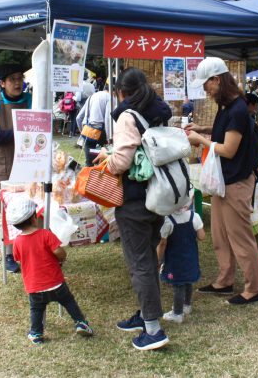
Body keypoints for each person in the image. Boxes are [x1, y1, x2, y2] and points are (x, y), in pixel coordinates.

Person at [95, 67, 172, 351]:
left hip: (135, 198)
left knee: (140, 262)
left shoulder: (127, 116)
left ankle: (153, 329)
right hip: (158, 195)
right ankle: (145, 314)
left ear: (121, 92)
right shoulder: (159, 111)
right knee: (148, 258)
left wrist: (107, 157)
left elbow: (123, 161)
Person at [185, 57, 258, 305]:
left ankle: (253, 289)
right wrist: (205, 128)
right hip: (223, 181)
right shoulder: (228, 107)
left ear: (217, 80)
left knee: (240, 237)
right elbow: (224, 131)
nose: (205, 89)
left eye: (206, 84)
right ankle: (224, 280)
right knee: (220, 235)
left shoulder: (237, 108)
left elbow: (228, 149)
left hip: (236, 181)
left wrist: (200, 139)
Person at [8, 195, 94, 345]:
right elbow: (58, 252)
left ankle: (36, 333)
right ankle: (80, 322)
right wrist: (62, 258)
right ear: (34, 218)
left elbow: (18, 258)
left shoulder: (17, 243)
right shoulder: (45, 234)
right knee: (69, 301)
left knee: (36, 310)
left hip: (35, 287)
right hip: (55, 282)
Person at [0, 63, 32, 273]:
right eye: (12, 79)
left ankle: (30, 251)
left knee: (32, 205)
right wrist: (22, 131)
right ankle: (9, 254)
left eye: (19, 78)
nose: (17, 82)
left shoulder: (30, 99)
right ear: (2, 83)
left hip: (28, 161)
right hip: (3, 162)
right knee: (6, 211)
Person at [157, 206, 206, 324]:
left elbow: (162, 243)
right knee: (188, 281)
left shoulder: (167, 221)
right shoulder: (195, 216)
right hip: (191, 258)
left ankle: (177, 313)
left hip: (175, 260)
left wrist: (158, 260)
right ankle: (187, 305)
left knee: (178, 285)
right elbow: (202, 236)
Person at [76, 89, 111, 166]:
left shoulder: (91, 97)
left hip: (88, 130)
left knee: (89, 162)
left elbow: (78, 117)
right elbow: (108, 119)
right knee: (103, 161)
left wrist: (82, 131)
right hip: (101, 132)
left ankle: (87, 175)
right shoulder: (109, 97)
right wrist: (109, 137)